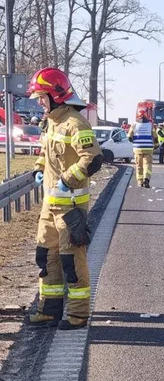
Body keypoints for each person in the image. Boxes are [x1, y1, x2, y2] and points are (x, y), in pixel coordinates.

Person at [27, 68, 103, 331]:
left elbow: (92, 158)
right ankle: (49, 311)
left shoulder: (75, 123)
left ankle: (78, 315)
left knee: (72, 262)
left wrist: (67, 179)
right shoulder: (52, 122)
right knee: (46, 257)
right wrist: (39, 168)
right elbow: (46, 152)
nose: (38, 102)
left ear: (56, 95)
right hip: (50, 206)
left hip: (70, 207)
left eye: (41, 97)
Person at [128, 108, 158, 187]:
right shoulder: (150, 124)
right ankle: (146, 179)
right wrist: (156, 144)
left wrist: (134, 141)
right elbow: (155, 136)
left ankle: (139, 182)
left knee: (139, 166)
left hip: (137, 148)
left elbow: (129, 137)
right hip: (148, 148)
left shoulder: (134, 124)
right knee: (148, 164)